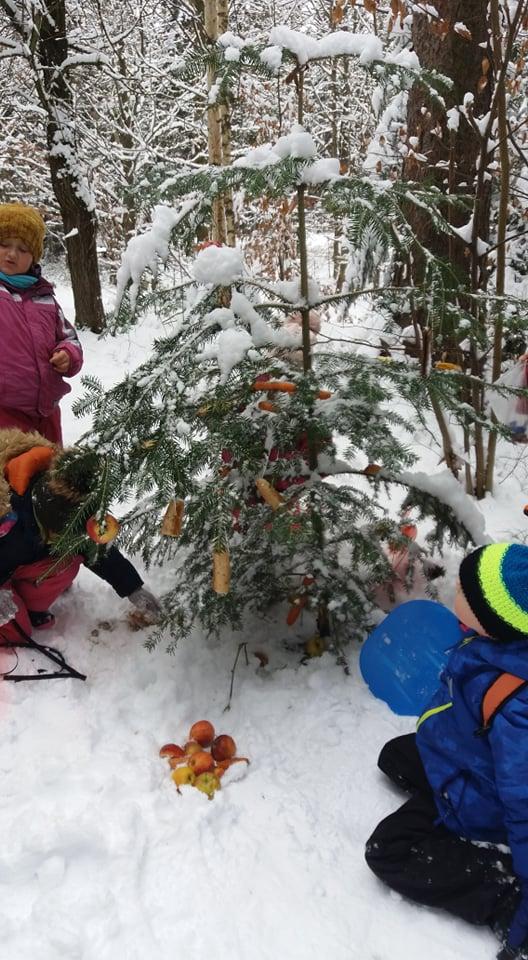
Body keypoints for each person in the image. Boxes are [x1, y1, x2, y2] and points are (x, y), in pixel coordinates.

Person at [365, 542, 528, 960]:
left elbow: (523, 800)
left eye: (464, 590)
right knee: (393, 757)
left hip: (480, 798)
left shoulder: (516, 707)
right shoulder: (497, 643)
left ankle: (501, 894)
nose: (454, 586)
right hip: (464, 756)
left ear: (494, 621)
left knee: (388, 851)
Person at [0, 428, 160, 644]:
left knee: (68, 560)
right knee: (16, 635)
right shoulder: (9, 517)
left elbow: (95, 551)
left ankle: (29, 606)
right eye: (63, 534)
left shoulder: (72, 506)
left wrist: (132, 587)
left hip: (21, 562)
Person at [0, 202, 83, 444]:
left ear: (34, 256)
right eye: (3, 244)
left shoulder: (45, 299)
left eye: (23, 249)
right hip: (4, 414)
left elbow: (69, 337)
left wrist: (68, 354)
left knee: (49, 477)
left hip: (46, 415)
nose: (12, 254)